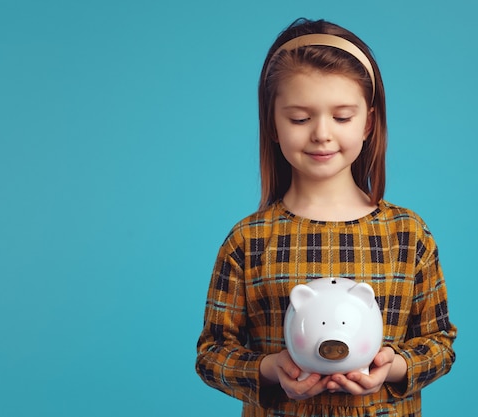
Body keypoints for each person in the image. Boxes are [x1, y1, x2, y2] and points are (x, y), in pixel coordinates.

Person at [196, 17, 457, 417]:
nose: (321, 133)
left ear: (368, 122)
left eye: (342, 117)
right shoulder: (249, 240)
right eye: (300, 118)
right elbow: (212, 353)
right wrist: (267, 369)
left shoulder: (407, 235)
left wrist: (395, 366)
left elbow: (439, 342)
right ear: (273, 124)